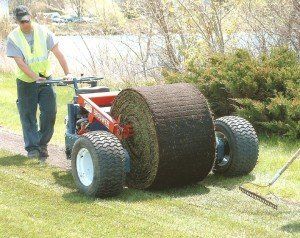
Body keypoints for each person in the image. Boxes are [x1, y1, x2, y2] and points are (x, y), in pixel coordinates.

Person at [6, 5, 72, 162]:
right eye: (21, 22)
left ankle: (42, 144)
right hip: (26, 81)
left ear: (31, 17)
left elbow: (58, 53)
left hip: (46, 78)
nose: (25, 24)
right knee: (28, 115)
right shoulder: (13, 38)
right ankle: (33, 148)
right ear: (17, 21)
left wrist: (67, 73)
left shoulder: (44, 32)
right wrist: (35, 76)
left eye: (27, 20)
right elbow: (20, 63)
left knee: (50, 112)